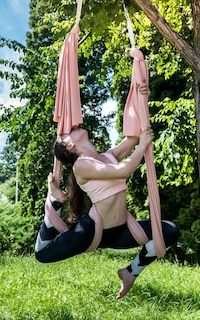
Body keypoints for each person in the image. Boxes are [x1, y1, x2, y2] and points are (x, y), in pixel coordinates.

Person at [34, 85, 180, 299]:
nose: (73, 127)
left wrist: (140, 97)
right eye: (68, 132)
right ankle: (55, 200)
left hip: (120, 229)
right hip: (92, 231)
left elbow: (131, 138)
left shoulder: (106, 157)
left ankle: (130, 272)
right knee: (42, 255)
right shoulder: (81, 166)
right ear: (70, 146)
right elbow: (124, 170)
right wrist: (143, 146)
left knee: (170, 231)